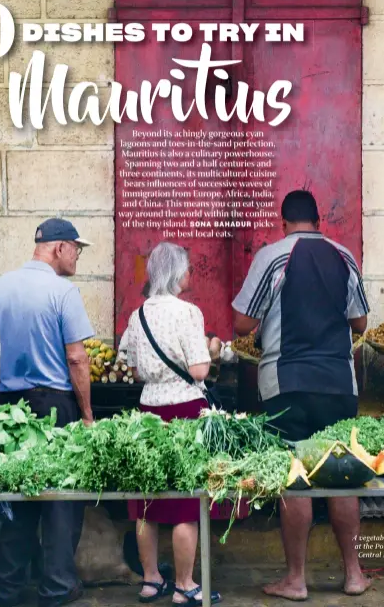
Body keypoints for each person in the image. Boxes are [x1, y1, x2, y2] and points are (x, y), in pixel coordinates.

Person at [232, 190, 371, 601]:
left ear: (284, 222)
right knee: (343, 478)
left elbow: (242, 322)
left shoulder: (273, 255)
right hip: (339, 386)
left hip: (287, 385)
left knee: (295, 479)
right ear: (318, 220)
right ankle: (354, 575)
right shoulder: (343, 256)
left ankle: (295, 579)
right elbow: (360, 322)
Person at [0, 218, 94, 607]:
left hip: (8, 408)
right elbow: (77, 358)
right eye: (76, 248)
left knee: (15, 492)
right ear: (59, 247)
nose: (77, 256)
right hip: (54, 406)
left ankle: (6, 587)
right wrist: (86, 414)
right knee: (62, 497)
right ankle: (58, 586)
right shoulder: (63, 291)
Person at [124, 242, 221, 606]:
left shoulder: (138, 315)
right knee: (186, 501)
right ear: (179, 274)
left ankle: (150, 580)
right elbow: (198, 370)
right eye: (188, 270)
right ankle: (185, 585)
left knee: (147, 500)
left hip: (149, 409)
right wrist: (211, 349)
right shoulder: (187, 312)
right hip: (184, 411)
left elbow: (134, 370)